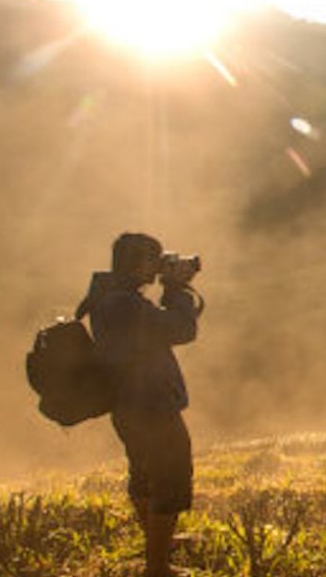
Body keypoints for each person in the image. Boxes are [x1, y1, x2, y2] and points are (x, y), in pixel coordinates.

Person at [77, 232, 203, 577]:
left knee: (145, 475)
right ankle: (158, 567)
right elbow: (180, 329)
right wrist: (176, 289)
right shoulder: (125, 305)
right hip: (151, 404)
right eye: (154, 259)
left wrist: (170, 287)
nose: (159, 265)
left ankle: (158, 543)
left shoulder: (110, 298)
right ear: (135, 263)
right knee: (171, 477)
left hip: (130, 405)